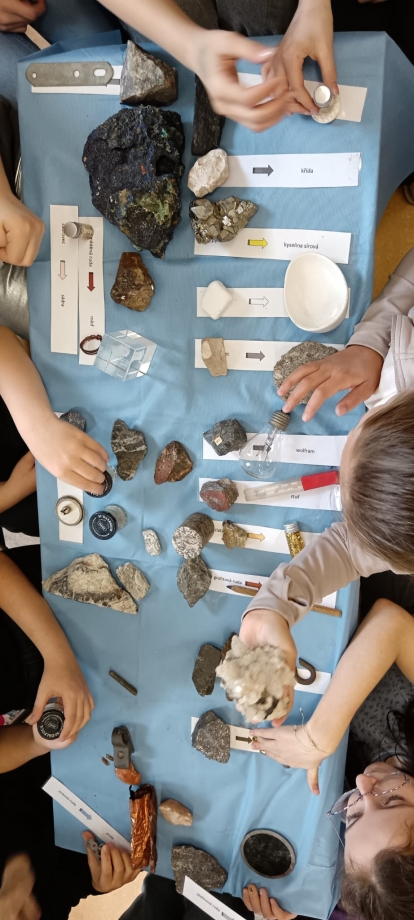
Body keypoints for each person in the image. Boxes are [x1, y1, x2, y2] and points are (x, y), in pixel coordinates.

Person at [248, 594, 414, 920]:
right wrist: (318, 737)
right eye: (392, 800)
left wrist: (294, 910)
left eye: (354, 816)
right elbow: (391, 622)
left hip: (312, 637)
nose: (362, 782)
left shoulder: (367, 822)